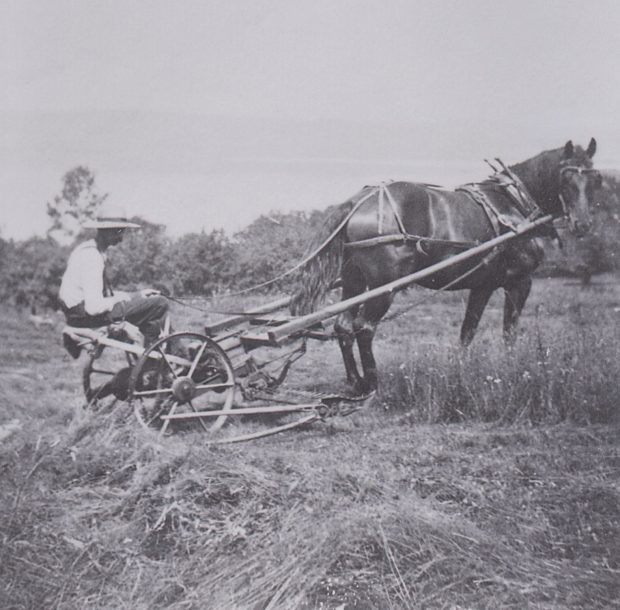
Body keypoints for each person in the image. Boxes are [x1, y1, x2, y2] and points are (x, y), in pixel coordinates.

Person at [59, 204, 169, 348]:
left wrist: (138, 295)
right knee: (160, 303)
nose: (121, 238)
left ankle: (174, 353)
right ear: (105, 230)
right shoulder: (92, 257)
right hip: (85, 316)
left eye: (121, 231)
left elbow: (98, 295)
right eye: (118, 232)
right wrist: (118, 299)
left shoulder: (88, 250)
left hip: (77, 312)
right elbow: (94, 307)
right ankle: (153, 359)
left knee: (152, 302)